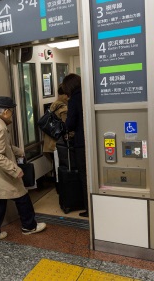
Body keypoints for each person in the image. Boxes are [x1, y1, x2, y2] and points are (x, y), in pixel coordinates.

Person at [0, 96, 46, 244]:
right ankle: (29, 227)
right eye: (11, 111)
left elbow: (4, 147)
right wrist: (15, 170)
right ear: (5, 112)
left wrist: (18, 151)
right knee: (22, 197)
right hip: (4, 174)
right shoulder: (0, 129)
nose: (12, 114)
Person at [63, 74, 88, 217]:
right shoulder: (87, 95)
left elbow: (70, 124)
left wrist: (66, 126)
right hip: (91, 141)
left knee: (84, 176)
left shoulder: (73, 100)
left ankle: (88, 209)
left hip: (81, 143)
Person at [43, 85, 68, 153]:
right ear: (65, 95)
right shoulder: (63, 108)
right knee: (61, 163)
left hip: (48, 143)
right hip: (56, 144)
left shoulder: (53, 105)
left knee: (55, 163)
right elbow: (66, 126)